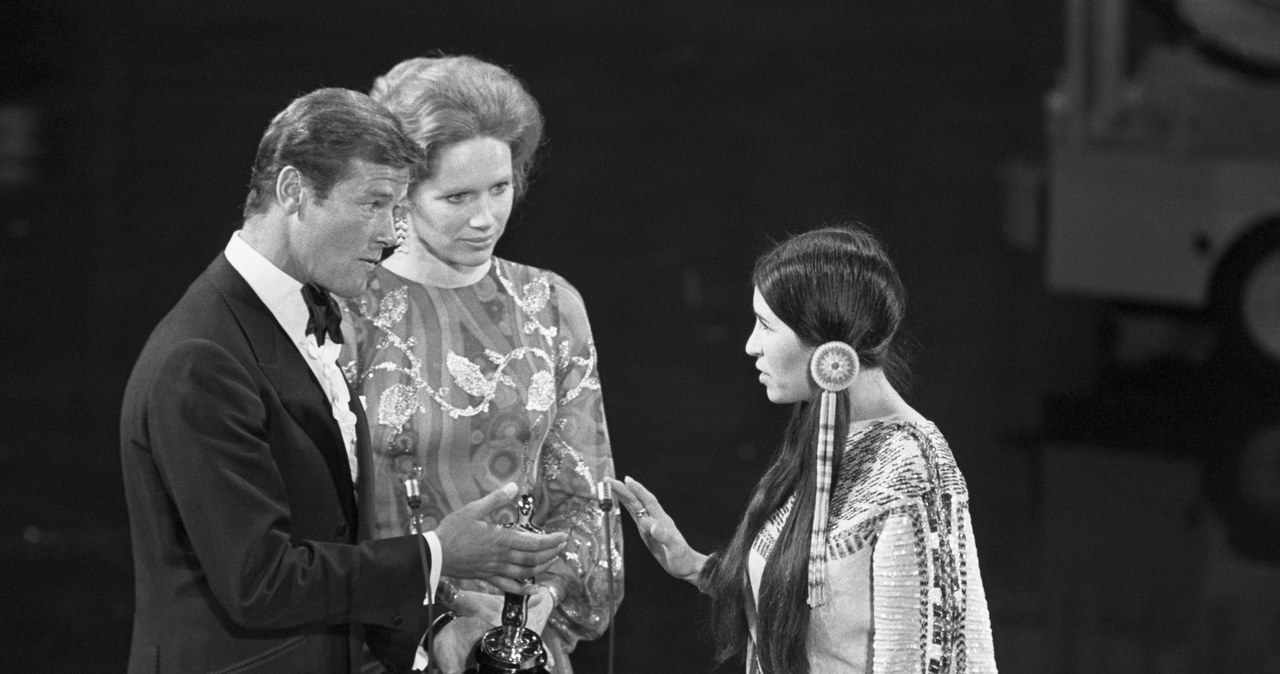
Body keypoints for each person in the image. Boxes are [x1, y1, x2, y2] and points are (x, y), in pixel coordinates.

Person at [119, 87, 569, 674]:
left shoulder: (297, 319)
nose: (392, 234)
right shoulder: (202, 357)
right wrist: (437, 552)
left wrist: (432, 631)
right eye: (375, 204)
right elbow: (259, 580)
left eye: (399, 207)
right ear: (292, 193)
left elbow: (328, 542)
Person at [339, 56, 622, 674]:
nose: (485, 217)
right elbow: (332, 519)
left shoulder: (549, 304)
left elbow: (585, 492)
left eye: (500, 188)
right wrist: (439, 620)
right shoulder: (349, 311)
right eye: (457, 196)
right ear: (401, 192)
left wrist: (535, 612)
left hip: (523, 651)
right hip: (387, 646)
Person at [610, 225, 998, 673]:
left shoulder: (914, 467)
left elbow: (935, 659)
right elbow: (804, 598)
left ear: (826, 345)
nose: (751, 345)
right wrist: (695, 566)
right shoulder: (825, 433)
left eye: (766, 326)